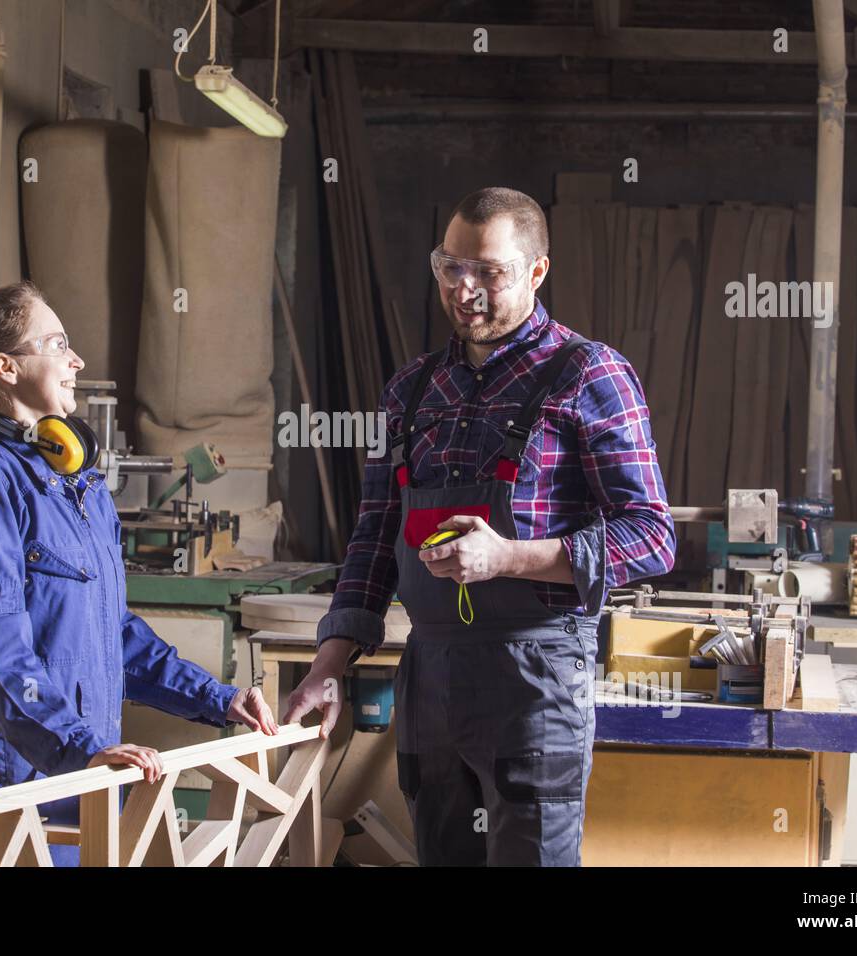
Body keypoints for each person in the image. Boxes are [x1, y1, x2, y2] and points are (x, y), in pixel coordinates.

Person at [283, 187, 677, 866]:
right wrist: (329, 665)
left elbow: (652, 536)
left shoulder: (588, 375)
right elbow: (375, 537)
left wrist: (510, 558)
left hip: (536, 678)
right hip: (430, 674)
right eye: (450, 268)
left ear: (536, 272)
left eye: (488, 273)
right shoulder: (411, 389)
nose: (465, 291)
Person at [0, 281, 276, 865]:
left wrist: (217, 699)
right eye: (57, 344)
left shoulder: (81, 488)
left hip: (77, 767)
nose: (76, 361)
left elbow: (113, 635)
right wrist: (81, 749)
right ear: (6, 367)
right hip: (3, 773)